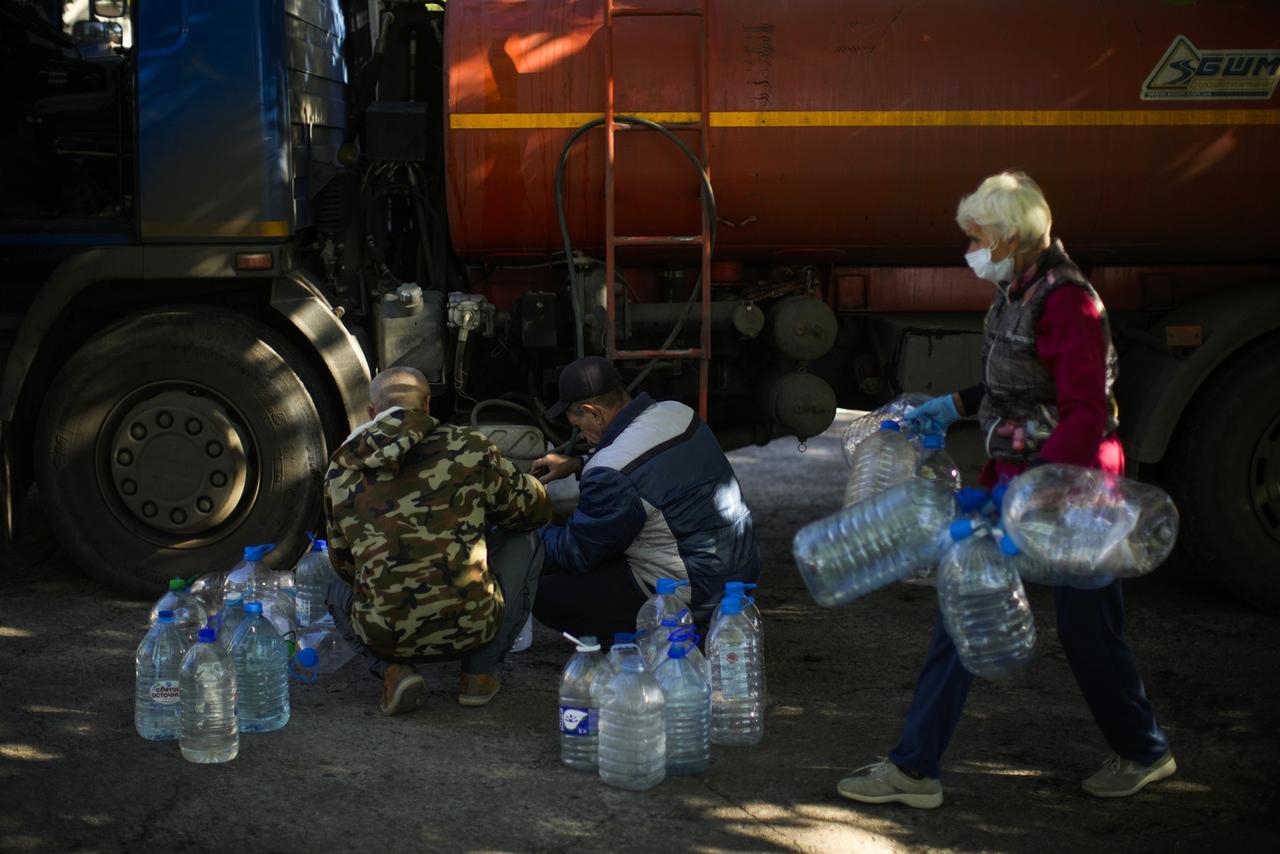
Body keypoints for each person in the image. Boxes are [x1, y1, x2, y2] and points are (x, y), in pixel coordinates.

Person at [837, 172, 1175, 808]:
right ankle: (918, 768)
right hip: (1030, 480)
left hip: (1071, 492)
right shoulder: (1018, 292)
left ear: (1008, 238)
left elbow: (1083, 412)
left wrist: (1025, 495)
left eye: (976, 237)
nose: (969, 249)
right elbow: (1018, 384)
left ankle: (1142, 749)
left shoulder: (1067, 300)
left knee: (1081, 628)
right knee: (986, 610)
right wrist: (953, 405)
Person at [323, 367, 552, 714]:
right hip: (472, 626)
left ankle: (394, 671)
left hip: (385, 632)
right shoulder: (471, 447)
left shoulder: (342, 467)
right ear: (427, 405)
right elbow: (532, 512)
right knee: (526, 540)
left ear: (372, 412)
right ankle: (478, 674)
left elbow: (344, 565)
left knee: (332, 586)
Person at [531, 356, 760, 641]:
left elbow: (575, 552)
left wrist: (525, 531)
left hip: (696, 594)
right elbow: (651, 465)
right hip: (738, 577)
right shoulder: (677, 413)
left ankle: (655, 640)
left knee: (543, 593)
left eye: (578, 424)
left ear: (594, 413)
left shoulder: (611, 470)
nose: (582, 435)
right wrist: (579, 463)